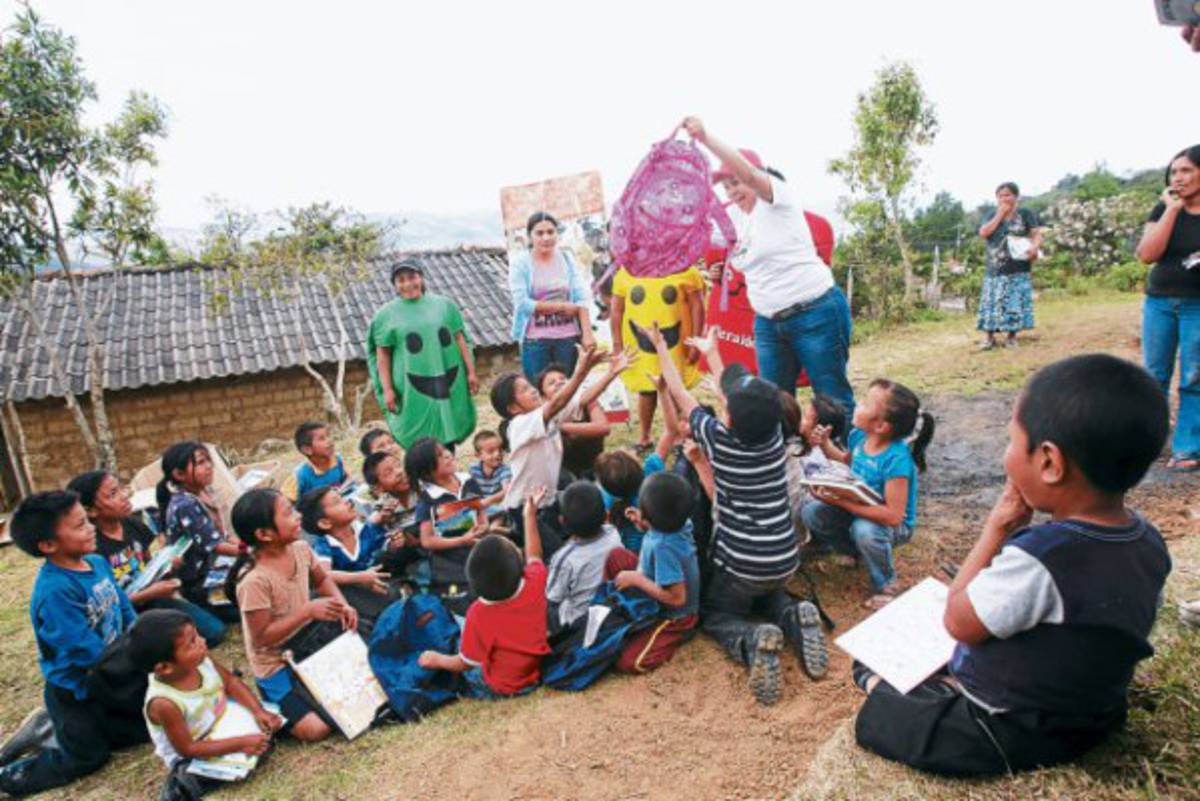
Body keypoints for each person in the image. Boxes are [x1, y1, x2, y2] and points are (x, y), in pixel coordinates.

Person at [853, 354, 1171, 776]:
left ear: (1049, 463)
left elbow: (957, 621)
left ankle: (907, 690)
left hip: (1010, 728)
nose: (1006, 454)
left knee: (873, 684)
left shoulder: (1040, 558)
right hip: (1097, 714)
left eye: (1011, 441)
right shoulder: (1150, 542)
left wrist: (996, 528)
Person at [641, 320, 827, 705]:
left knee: (717, 612)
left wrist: (660, 344)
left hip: (740, 566)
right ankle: (793, 614)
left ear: (728, 418)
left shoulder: (718, 441)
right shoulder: (775, 438)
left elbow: (679, 391)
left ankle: (750, 639)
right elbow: (738, 400)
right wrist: (712, 354)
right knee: (767, 591)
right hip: (784, 559)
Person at [681, 115, 856, 425]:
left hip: (815, 312)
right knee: (772, 402)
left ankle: (842, 453)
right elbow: (694, 231)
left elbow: (749, 173)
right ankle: (783, 452)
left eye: (736, 182)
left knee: (831, 397)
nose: (732, 191)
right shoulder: (735, 218)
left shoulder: (778, 199)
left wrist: (706, 138)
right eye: (726, 186)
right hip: (768, 323)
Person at [0, 491, 144, 796]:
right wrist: (132, 663)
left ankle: (54, 729)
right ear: (48, 545)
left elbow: (125, 609)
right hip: (76, 689)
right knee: (87, 757)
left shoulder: (96, 563)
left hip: (111, 671)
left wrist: (143, 642)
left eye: (87, 521)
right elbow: (85, 652)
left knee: (145, 728)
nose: (91, 528)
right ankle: (11, 775)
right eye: (79, 526)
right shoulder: (55, 592)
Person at [227, 488, 357, 743]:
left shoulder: (301, 548)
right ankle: (270, 702)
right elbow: (262, 638)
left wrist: (344, 605)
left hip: (309, 644)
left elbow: (322, 580)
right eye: (288, 513)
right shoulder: (254, 580)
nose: (297, 516)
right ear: (264, 534)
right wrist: (307, 611)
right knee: (316, 729)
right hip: (276, 663)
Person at [802, 380, 935, 608]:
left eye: (865, 403)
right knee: (813, 513)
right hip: (861, 508)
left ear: (881, 426)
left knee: (865, 530)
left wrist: (844, 503)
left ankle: (886, 585)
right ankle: (854, 552)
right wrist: (825, 444)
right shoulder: (858, 436)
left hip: (891, 525)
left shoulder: (897, 460)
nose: (858, 405)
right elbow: (847, 461)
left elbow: (893, 516)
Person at [489, 344, 631, 548]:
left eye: (529, 386)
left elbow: (582, 399)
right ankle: (510, 533)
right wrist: (581, 370)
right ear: (513, 408)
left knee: (561, 538)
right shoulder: (520, 425)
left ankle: (511, 534)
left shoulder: (545, 415)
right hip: (526, 507)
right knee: (552, 552)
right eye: (524, 390)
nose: (533, 391)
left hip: (548, 500)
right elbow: (557, 403)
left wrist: (612, 373)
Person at [129, 610, 282, 795]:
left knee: (271, 724)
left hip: (221, 720)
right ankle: (180, 784)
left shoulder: (201, 660)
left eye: (198, 635)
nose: (202, 641)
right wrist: (240, 744)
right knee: (200, 774)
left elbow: (230, 682)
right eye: (192, 642)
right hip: (197, 749)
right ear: (165, 667)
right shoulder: (164, 703)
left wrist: (258, 711)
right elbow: (188, 749)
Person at [418, 488, 552, 698]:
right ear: (518, 565)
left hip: (503, 686)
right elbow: (534, 555)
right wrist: (529, 515)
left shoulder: (478, 613)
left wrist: (436, 660)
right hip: (537, 668)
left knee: (459, 652)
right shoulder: (534, 582)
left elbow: (464, 663)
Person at [68, 470, 227, 645]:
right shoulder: (92, 549)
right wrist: (149, 593)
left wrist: (169, 565)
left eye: (121, 488)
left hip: (155, 600)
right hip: (124, 614)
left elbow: (152, 560)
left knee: (215, 631)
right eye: (113, 494)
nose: (124, 496)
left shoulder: (133, 525)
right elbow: (107, 605)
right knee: (199, 637)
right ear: (91, 511)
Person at [366, 257, 479, 448]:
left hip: (446, 376)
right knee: (419, 436)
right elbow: (382, 356)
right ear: (394, 285)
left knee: (448, 424)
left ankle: (447, 461)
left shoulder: (444, 306)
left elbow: (460, 339)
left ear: (421, 278)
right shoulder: (386, 315)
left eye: (412, 277)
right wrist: (388, 389)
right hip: (408, 387)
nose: (408, 284)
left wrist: (471, 372)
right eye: (401, 280)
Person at [1135, 144, 1200, 472]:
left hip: (1197, 305)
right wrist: (1172, 210)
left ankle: (1187, 446)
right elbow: (1147, 254)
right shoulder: (1163, 208)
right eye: (1174, 172)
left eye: (1186, 170)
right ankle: (1148, 442)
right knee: (1153, 375)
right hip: (1159, 302)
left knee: (1194, 377)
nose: (1178, 178)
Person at [606, 472, 701, 674]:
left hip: (675, 615)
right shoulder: (679, 521)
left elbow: (677, 598)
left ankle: (674, 635)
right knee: (616, 556)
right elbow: (656, 532)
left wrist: (637, 580)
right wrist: (641, 522)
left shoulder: (663, 547)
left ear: (651, 517)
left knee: (629, 661)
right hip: (653, 577)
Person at [610, 262, 705, 453]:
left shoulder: (686, 271)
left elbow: (697, 306)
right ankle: (644, 437)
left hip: (676, 344)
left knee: (675, 389)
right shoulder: (627, 272)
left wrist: (696, 339)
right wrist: (617, 344)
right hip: (641, 344)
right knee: (646, 389)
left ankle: (679, 436)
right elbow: (617, 311)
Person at [158, 442, 241, 622]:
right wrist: (251, 551)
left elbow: (222, 535)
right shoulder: (185, 505)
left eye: (208, 460)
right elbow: (216, 546)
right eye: (201, 462)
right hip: (200, 579)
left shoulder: (204, 491)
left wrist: (245, 545)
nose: (209, 466)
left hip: (217, 564)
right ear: (179, 474)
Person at [508, 211, 596, 381]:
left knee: (567, 388)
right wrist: (561, 307)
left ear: (557, 233)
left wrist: (587, 333)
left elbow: (581, 296)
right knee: (539, 391)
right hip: (536, 341)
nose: (546, 237)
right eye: (540, 233)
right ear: (530, 236)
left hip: (567, 339)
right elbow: (522, 304)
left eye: (550, 232)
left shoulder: (566, 259)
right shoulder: (521, 263)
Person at [406, 437, 489, 588]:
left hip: (479, 549)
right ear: (427, 471)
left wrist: (484, 525)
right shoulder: (428, 500)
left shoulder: (467, 480)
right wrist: (461, 541)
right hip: (452, 563)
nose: (447, 455)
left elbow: (480, 510)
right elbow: (427, 540)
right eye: (439, 455)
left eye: (444, 450)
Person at [545, 481, 622, 632]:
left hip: (578, 624)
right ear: (606, 515)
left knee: (543, 603)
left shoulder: (564, 558)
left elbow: (551, 598)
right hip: (609, 607)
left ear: (562, 521)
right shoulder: (613, 532)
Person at [976, 182, 1043, 350]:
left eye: (1007, 195)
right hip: (995, 267)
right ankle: (989, 337)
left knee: (1014, 302)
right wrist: (1000, 214)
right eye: (1000, 196)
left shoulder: (1025, 214)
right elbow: (984, 233)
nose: (1004, 198)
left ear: (1016, 197)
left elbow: (1036, 234)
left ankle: (1012, 337)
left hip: (1019, 266)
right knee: (992, 302)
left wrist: (1035, 247)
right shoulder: (991, 214)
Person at [777, 393, 846, 540]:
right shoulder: (805, 446)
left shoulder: (808, 455)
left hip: (812, 518)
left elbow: (794, 498)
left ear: (819, 429)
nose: (799, 420)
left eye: (805, 417)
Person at [536, 364, 611, 480]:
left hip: (594, 465)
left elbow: (603, 428)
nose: (559, 382)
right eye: (551, 383)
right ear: (544, 397)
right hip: (563, 471)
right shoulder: (544, 414)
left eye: (562, 378)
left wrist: (561, 427)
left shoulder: (588, 400)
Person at [281, 422, 350, 503]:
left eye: (328, 436)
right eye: (322, 439)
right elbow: (287, 503)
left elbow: (347, 479)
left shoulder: (337, 460)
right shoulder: (299, 476)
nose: (329, 441)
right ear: (307, 450)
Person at [468, 429, 513, 518]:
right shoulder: (474, 469)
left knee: (504, 511)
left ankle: (495, 523)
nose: (497, 454)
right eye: (491, 451)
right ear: (479, 455)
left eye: (500, 449)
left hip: (495, 506)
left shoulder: (504, 469)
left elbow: (507, 490)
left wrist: (487, 501)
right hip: (479, 506)